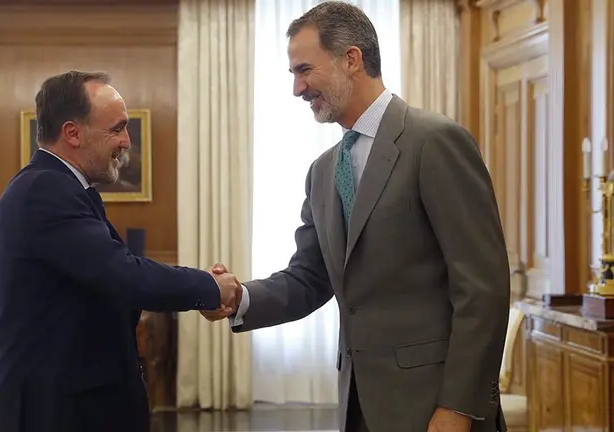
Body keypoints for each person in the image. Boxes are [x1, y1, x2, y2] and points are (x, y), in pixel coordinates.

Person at [202, 2, 510, 432]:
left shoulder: (435, 141)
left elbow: (482, 288)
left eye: (304, 69)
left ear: (351, 59)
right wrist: (238, 298)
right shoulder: (323, 170)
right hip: (359, 405)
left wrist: (458, 406)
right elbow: (310, 277)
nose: (297, 88)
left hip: (436, 406)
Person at [0, 70, 240, 432]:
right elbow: (123, 274)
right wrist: (210, 288)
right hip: (55, 413)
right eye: (117, 129)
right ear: (72, 133)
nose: (126, 142)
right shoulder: (44, 190)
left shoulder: (60, 187)